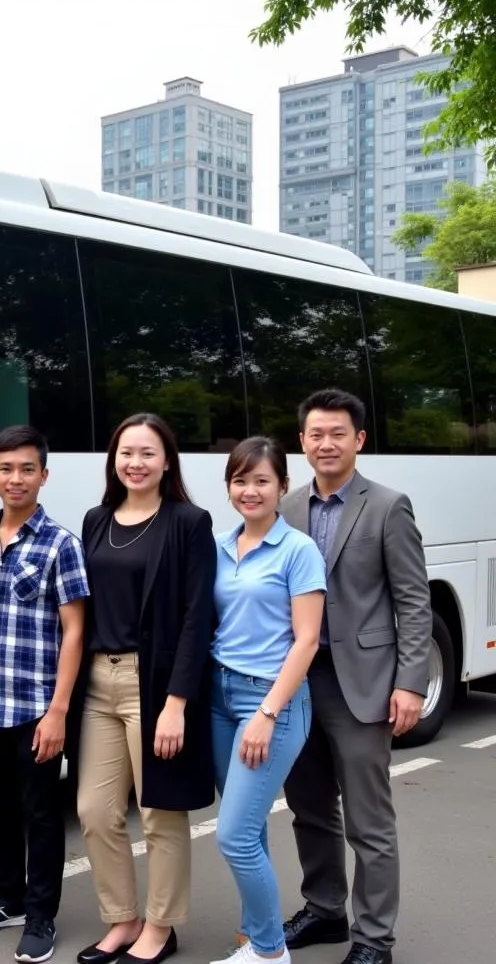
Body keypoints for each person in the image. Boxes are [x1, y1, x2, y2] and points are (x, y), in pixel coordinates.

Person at [279, 389, 432, 964]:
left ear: (358, 439)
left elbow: (413, 601)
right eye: (315, 434)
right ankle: (324, 911)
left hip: (363, 684)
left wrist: (411, 682)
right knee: (310, 809)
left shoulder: (389, 505)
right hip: (299, 684)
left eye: (337, 433)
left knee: (370, 822)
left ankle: (374, 940)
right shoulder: (288, 507)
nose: (326, 443)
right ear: (302, 441)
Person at [70, 413, 218, 964]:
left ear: (167, 462)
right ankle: (122, 918)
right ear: (113, 459)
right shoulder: (96, 519)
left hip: (152, 685)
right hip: (97, 685)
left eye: (147, 453)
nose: (135, 462)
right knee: (94, 811)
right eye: (126, 452)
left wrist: (176, 703)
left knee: (159, 813)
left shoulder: (188, 522)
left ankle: (161, 926)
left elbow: (196, 617)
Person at [0, 424, 89, 964]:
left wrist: (59, 711)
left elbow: (74, 630)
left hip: (36, 708)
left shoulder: (61, 544)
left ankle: (41, 916)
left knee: (40, 813)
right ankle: (7, 897)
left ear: (44, 475)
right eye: (6, 469)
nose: (16, 479)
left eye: (27, 469)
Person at [210, 436, 325, 964]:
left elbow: (306, 640)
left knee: (232, 835)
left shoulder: (299, 550)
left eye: (262, 481)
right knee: (247, 827)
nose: (250, 490)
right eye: (240, 480)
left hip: (270, 703)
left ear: (282, 486)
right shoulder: (220, 545)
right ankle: (257, 937)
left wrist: (266, 713)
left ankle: (271, 950)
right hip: (219, 695)